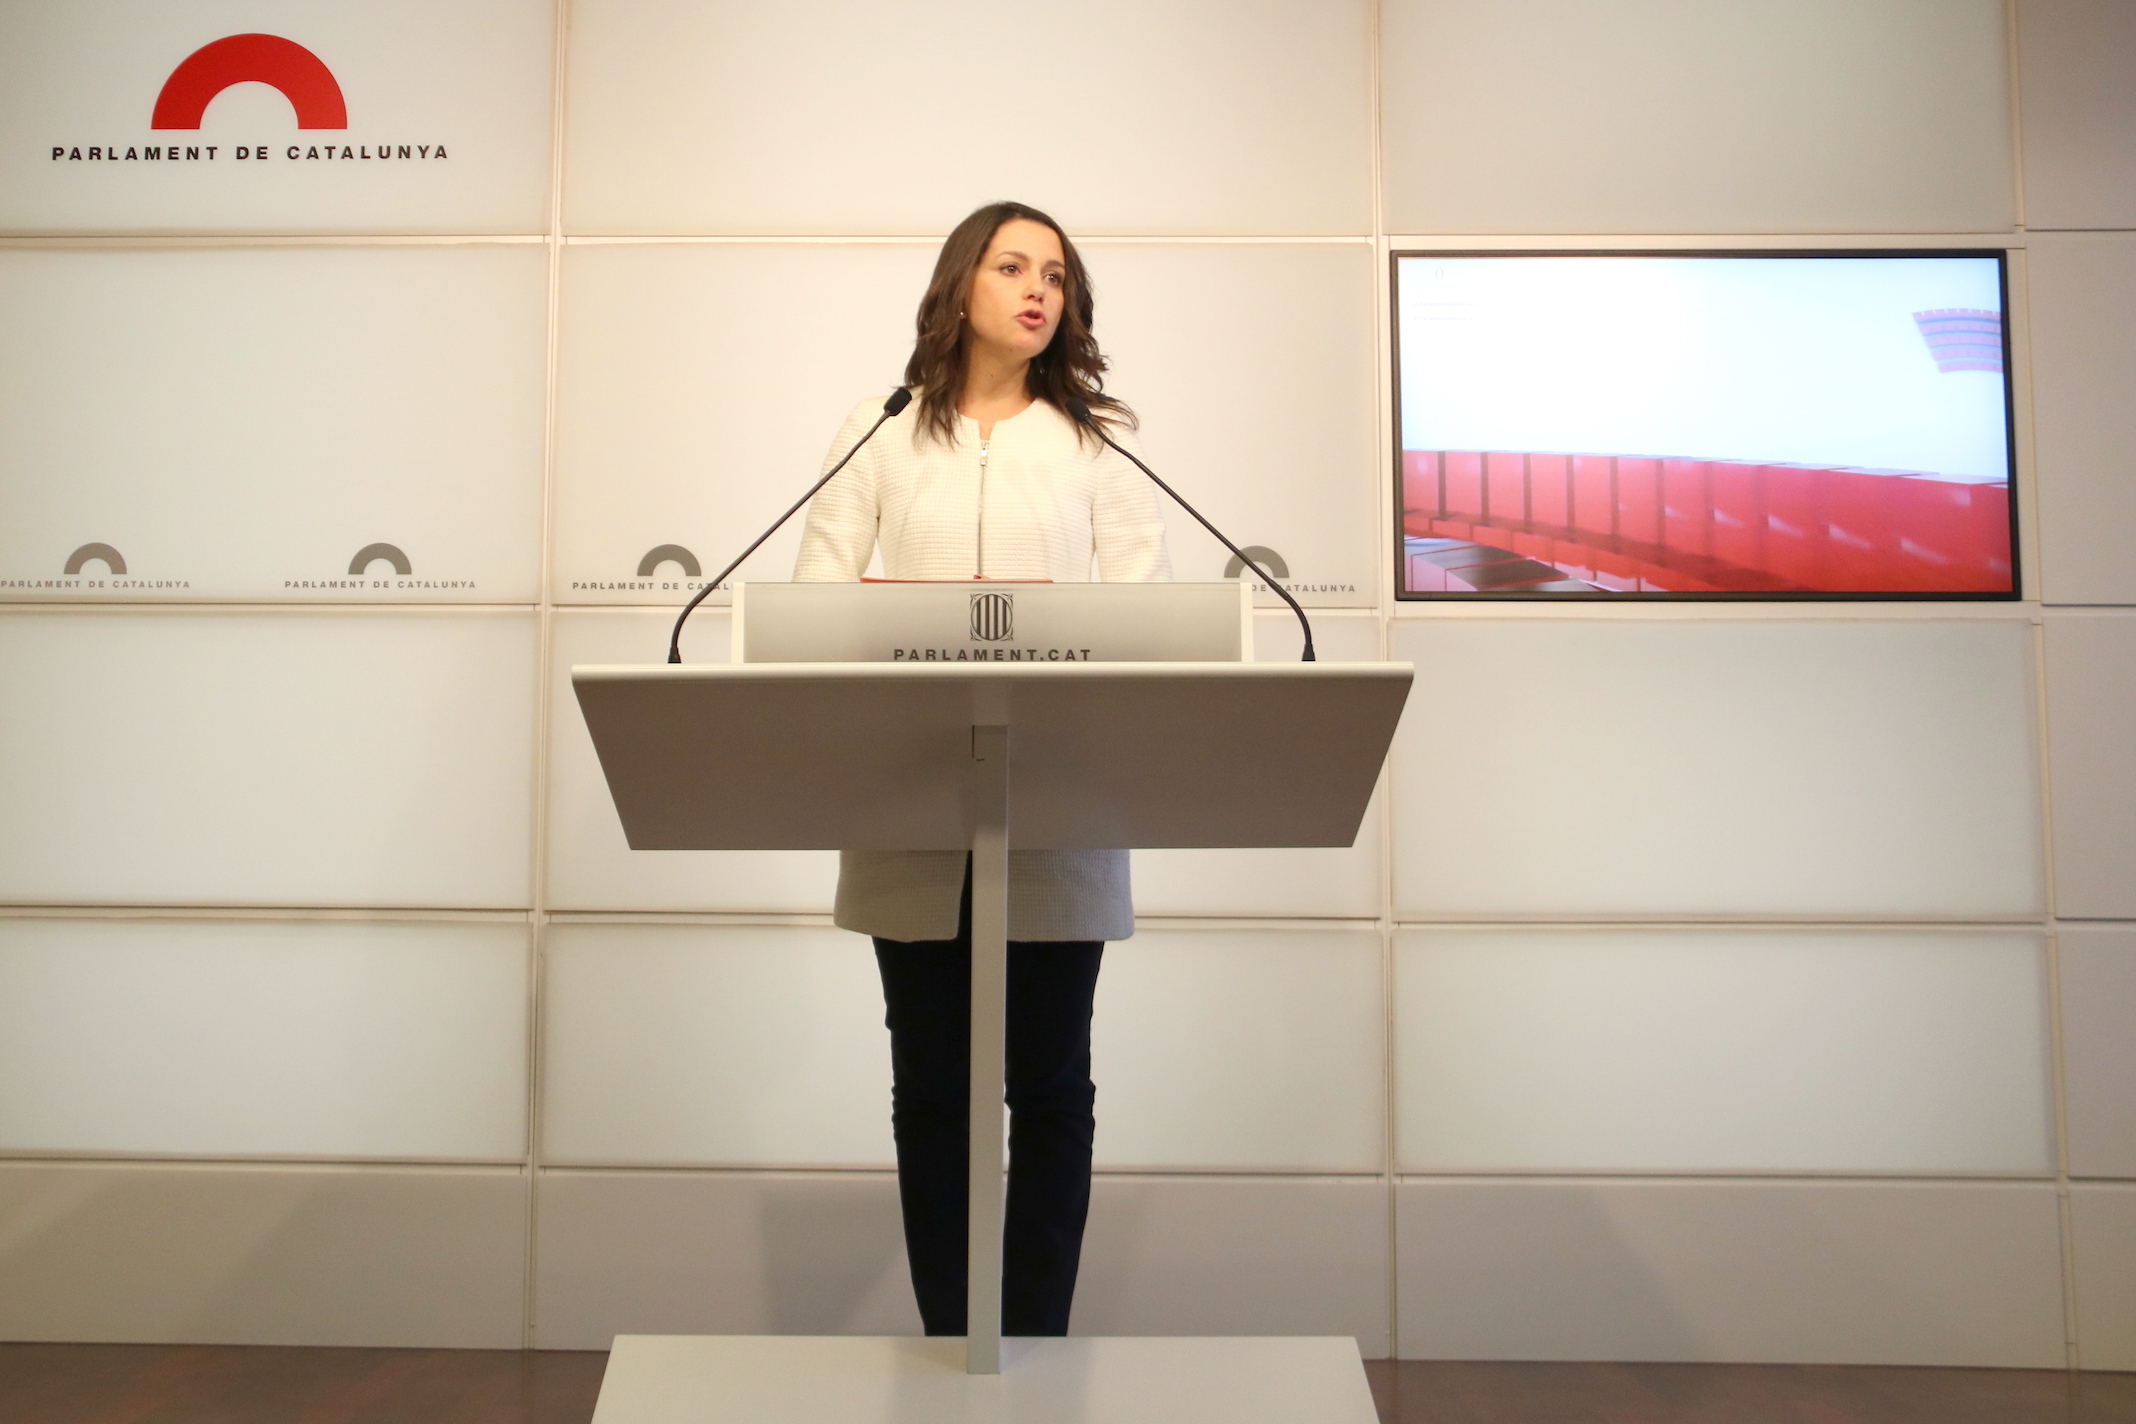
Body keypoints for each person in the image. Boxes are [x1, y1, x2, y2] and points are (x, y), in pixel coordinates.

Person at [791, 201, 1171, 1337]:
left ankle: (1036, 1343)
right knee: (935, 1095)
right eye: (1012, 265)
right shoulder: (883, 426)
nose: (1037, 288)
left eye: (1055, 272)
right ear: (963, 285)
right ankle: (955, 1342)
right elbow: (817, 589)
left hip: (1056, 802)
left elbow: (1142, 609)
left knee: (1050, 1090)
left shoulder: (1095, 439)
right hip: (913, 801)